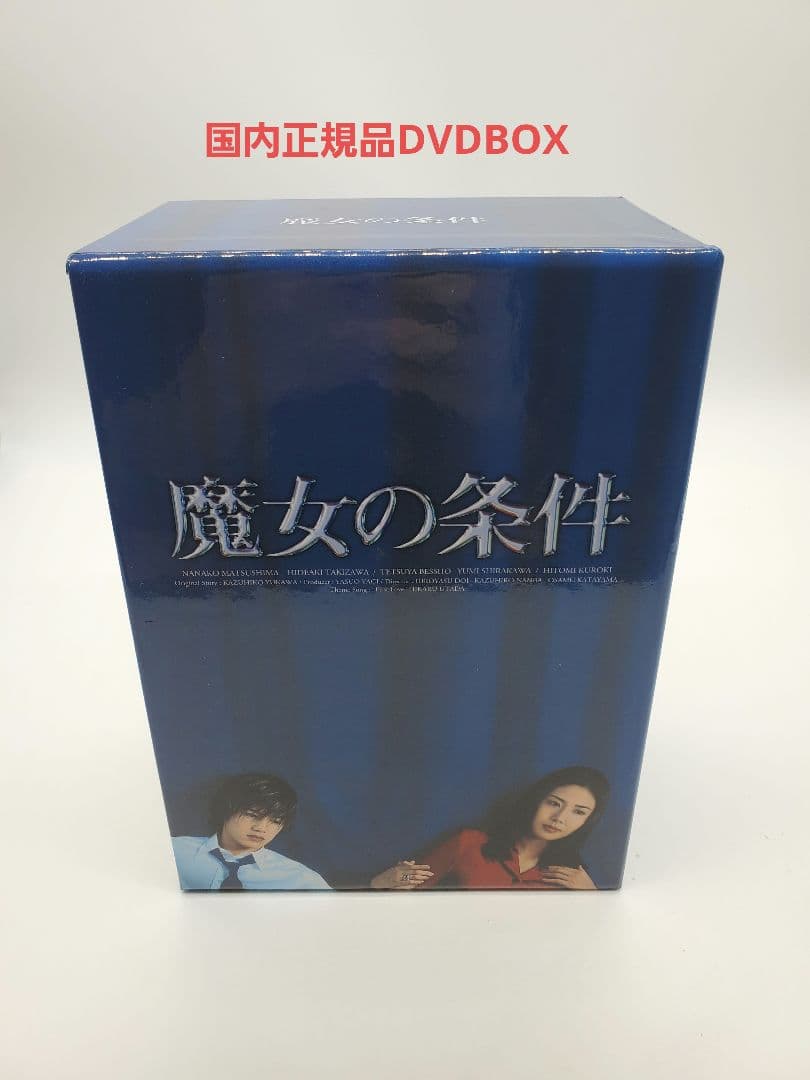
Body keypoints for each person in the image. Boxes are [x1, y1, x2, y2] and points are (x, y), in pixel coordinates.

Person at [370, 766, 609, 891]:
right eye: (554, 803)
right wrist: (380, 882)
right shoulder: (468, 843)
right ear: (536, 800)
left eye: (579, 812)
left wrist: (592, 895)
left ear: (587, 821)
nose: (559, 818)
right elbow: (408, 890)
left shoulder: (574, 877)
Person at [172, 773, 330, 890]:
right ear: (226, 809)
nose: (261, 828)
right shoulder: (174, 851)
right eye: (252, 815)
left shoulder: (302, 879)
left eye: (275, 821)